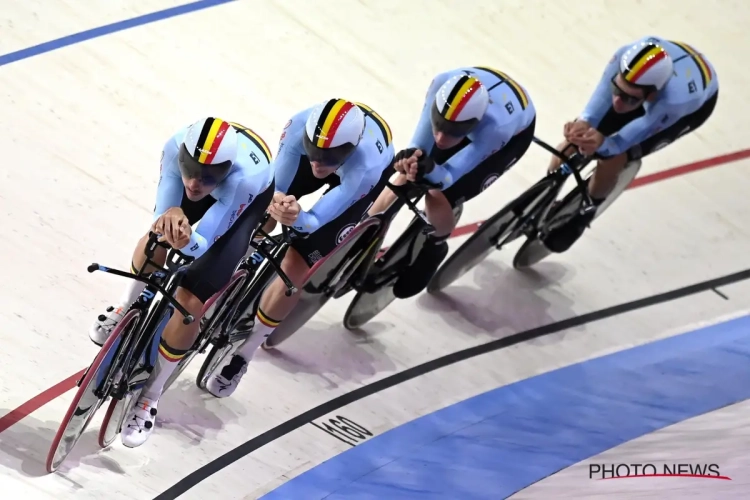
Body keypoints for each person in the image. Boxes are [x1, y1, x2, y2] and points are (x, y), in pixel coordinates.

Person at [88, 117, 276, 447]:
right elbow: (163, 211)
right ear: (183, 158)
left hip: (244, 203)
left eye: (207, 176)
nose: (195, 182)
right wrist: (170, 218)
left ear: (225, 170)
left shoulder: (242, 179)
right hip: (208, 172)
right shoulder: (175, 146)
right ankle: (125, 306)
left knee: (192, 297)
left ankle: (151, 396)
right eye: (189, 170)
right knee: (155, 237)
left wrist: (187, 237)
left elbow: (202, 243)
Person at [205, 98, 395, 397]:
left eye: (328, 157)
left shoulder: (366, 165)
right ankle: (233, 271)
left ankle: (244, 354)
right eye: (314, 152)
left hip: (356, 182)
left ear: (347, 150)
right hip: (316, 154)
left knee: (298, 262)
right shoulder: (297, 128)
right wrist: (276, 204)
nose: (319, 163)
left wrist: (297, 218)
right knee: (260, 212)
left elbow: (315, 221)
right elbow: (275, 188)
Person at [366, 67, 537, 298]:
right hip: (467, 111)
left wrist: (432, 170)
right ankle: (360, 232)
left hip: (511, 137)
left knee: (439, 193)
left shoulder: (496, 127)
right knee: (406, 175)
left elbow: (447, 178)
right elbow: (419, 148)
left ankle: (435, 248)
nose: (441, 138)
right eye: (439, 125)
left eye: (453, 132)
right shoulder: (440, 84)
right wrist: (411, 159)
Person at [542, 36, 719, 252]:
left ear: (651, 95)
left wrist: (604, 145)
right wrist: (582, 125)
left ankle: (585, 213)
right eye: (617, 89)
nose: (617, 101)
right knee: (577, 139)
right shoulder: (623, 56)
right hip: (655, 76)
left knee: (615, 157)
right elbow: (594, 110)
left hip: (689, 110)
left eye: (628, 98)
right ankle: (544, 193)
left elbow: (619, 143)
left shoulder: (674, 101)